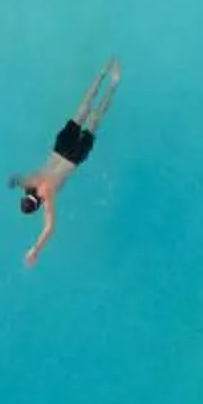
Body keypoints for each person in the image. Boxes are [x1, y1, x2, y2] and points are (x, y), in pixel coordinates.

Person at [11, 58, 119, 267]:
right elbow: (18, 179)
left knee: (94, 119)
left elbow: (49, 228)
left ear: (37, 204)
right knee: (83, 109)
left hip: (73, 157)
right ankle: (102, 73)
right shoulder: (31, 183)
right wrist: (14, 181)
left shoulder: (47, 196)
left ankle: (113, 83)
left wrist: (35, 249)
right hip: (60, 148)